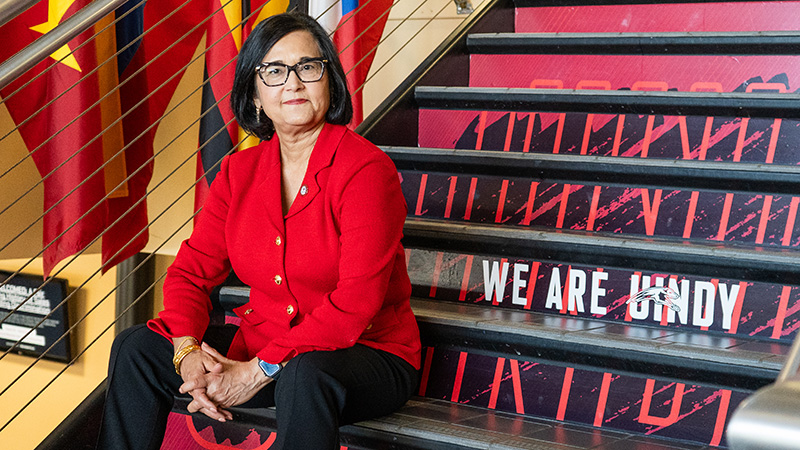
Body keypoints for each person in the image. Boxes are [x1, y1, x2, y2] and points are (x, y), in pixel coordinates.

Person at [97, 11, 421, 450]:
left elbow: (354, 303)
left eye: (308, 67)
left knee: (304, 374)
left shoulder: (365, 170)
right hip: (265, 348)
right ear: (254, 95)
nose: (292, 83)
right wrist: (188, 353)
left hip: (365, 355)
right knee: (136, 348)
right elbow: (191, 273)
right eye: (274, 71)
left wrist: (257, 370)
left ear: (330, 80)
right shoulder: (238, 172)